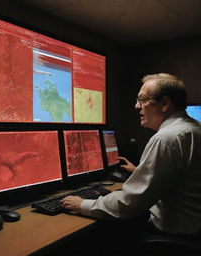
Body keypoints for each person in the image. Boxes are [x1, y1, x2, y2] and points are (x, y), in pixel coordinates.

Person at [61, 73, 201, 237]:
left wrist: (82, 204)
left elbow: (130, 203)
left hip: (176, 233)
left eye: (142, 99)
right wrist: (140, 173)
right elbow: (184, 179)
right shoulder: (193, 129)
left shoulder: (166, 138)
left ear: (164, 104)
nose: (136, 106)